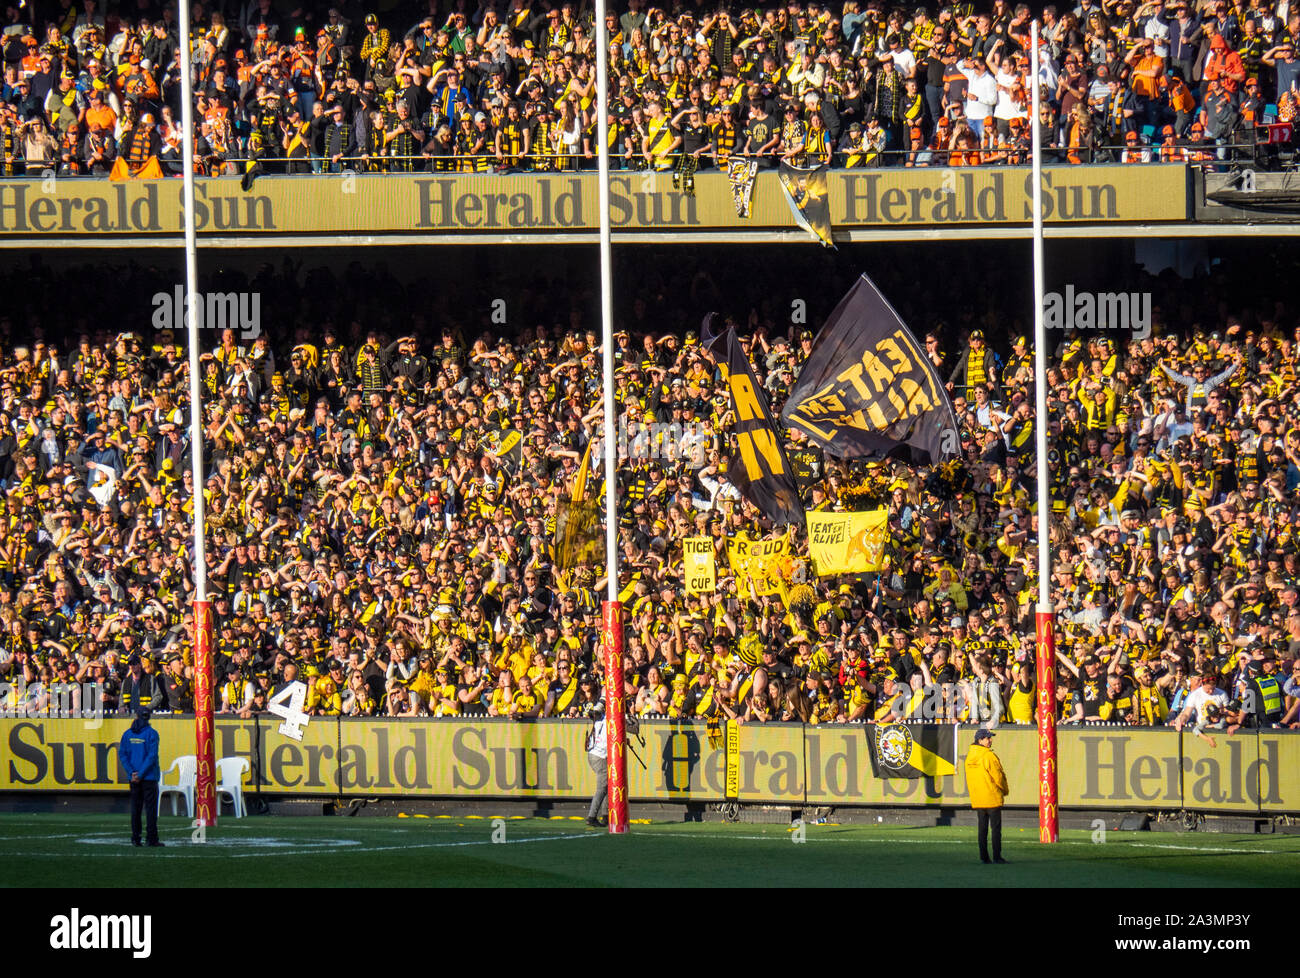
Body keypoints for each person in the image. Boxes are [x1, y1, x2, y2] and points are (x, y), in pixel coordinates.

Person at [119, 705, 162, 847]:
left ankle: (135, 838)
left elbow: (123, 755)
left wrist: (132, 773)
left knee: (135, 809)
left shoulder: (127, 734)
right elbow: (151, 756)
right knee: (150, 809)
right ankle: (151, 838)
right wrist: (142, 773)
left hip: (133, 778)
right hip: (149, 777)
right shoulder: (152, 733)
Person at [965, 727, 1008, 864]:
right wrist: (1005, 790)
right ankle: (997, 857)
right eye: (988, 738)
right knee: (996, 830)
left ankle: (984, 857)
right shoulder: (988, 755)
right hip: (992, 797)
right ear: (980, 740)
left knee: (982, 829)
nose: (990, 740)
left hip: (978, 798)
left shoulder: (970, 756)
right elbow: (998, 777)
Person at [585, 694, 608, 828]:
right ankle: (592, 816)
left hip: (594, 753)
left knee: (607, 786)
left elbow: (593, 712)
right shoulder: (608, 718)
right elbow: (634, 728)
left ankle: (605, 815)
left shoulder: (599, 717)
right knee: (602, 787)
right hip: (599, 755)